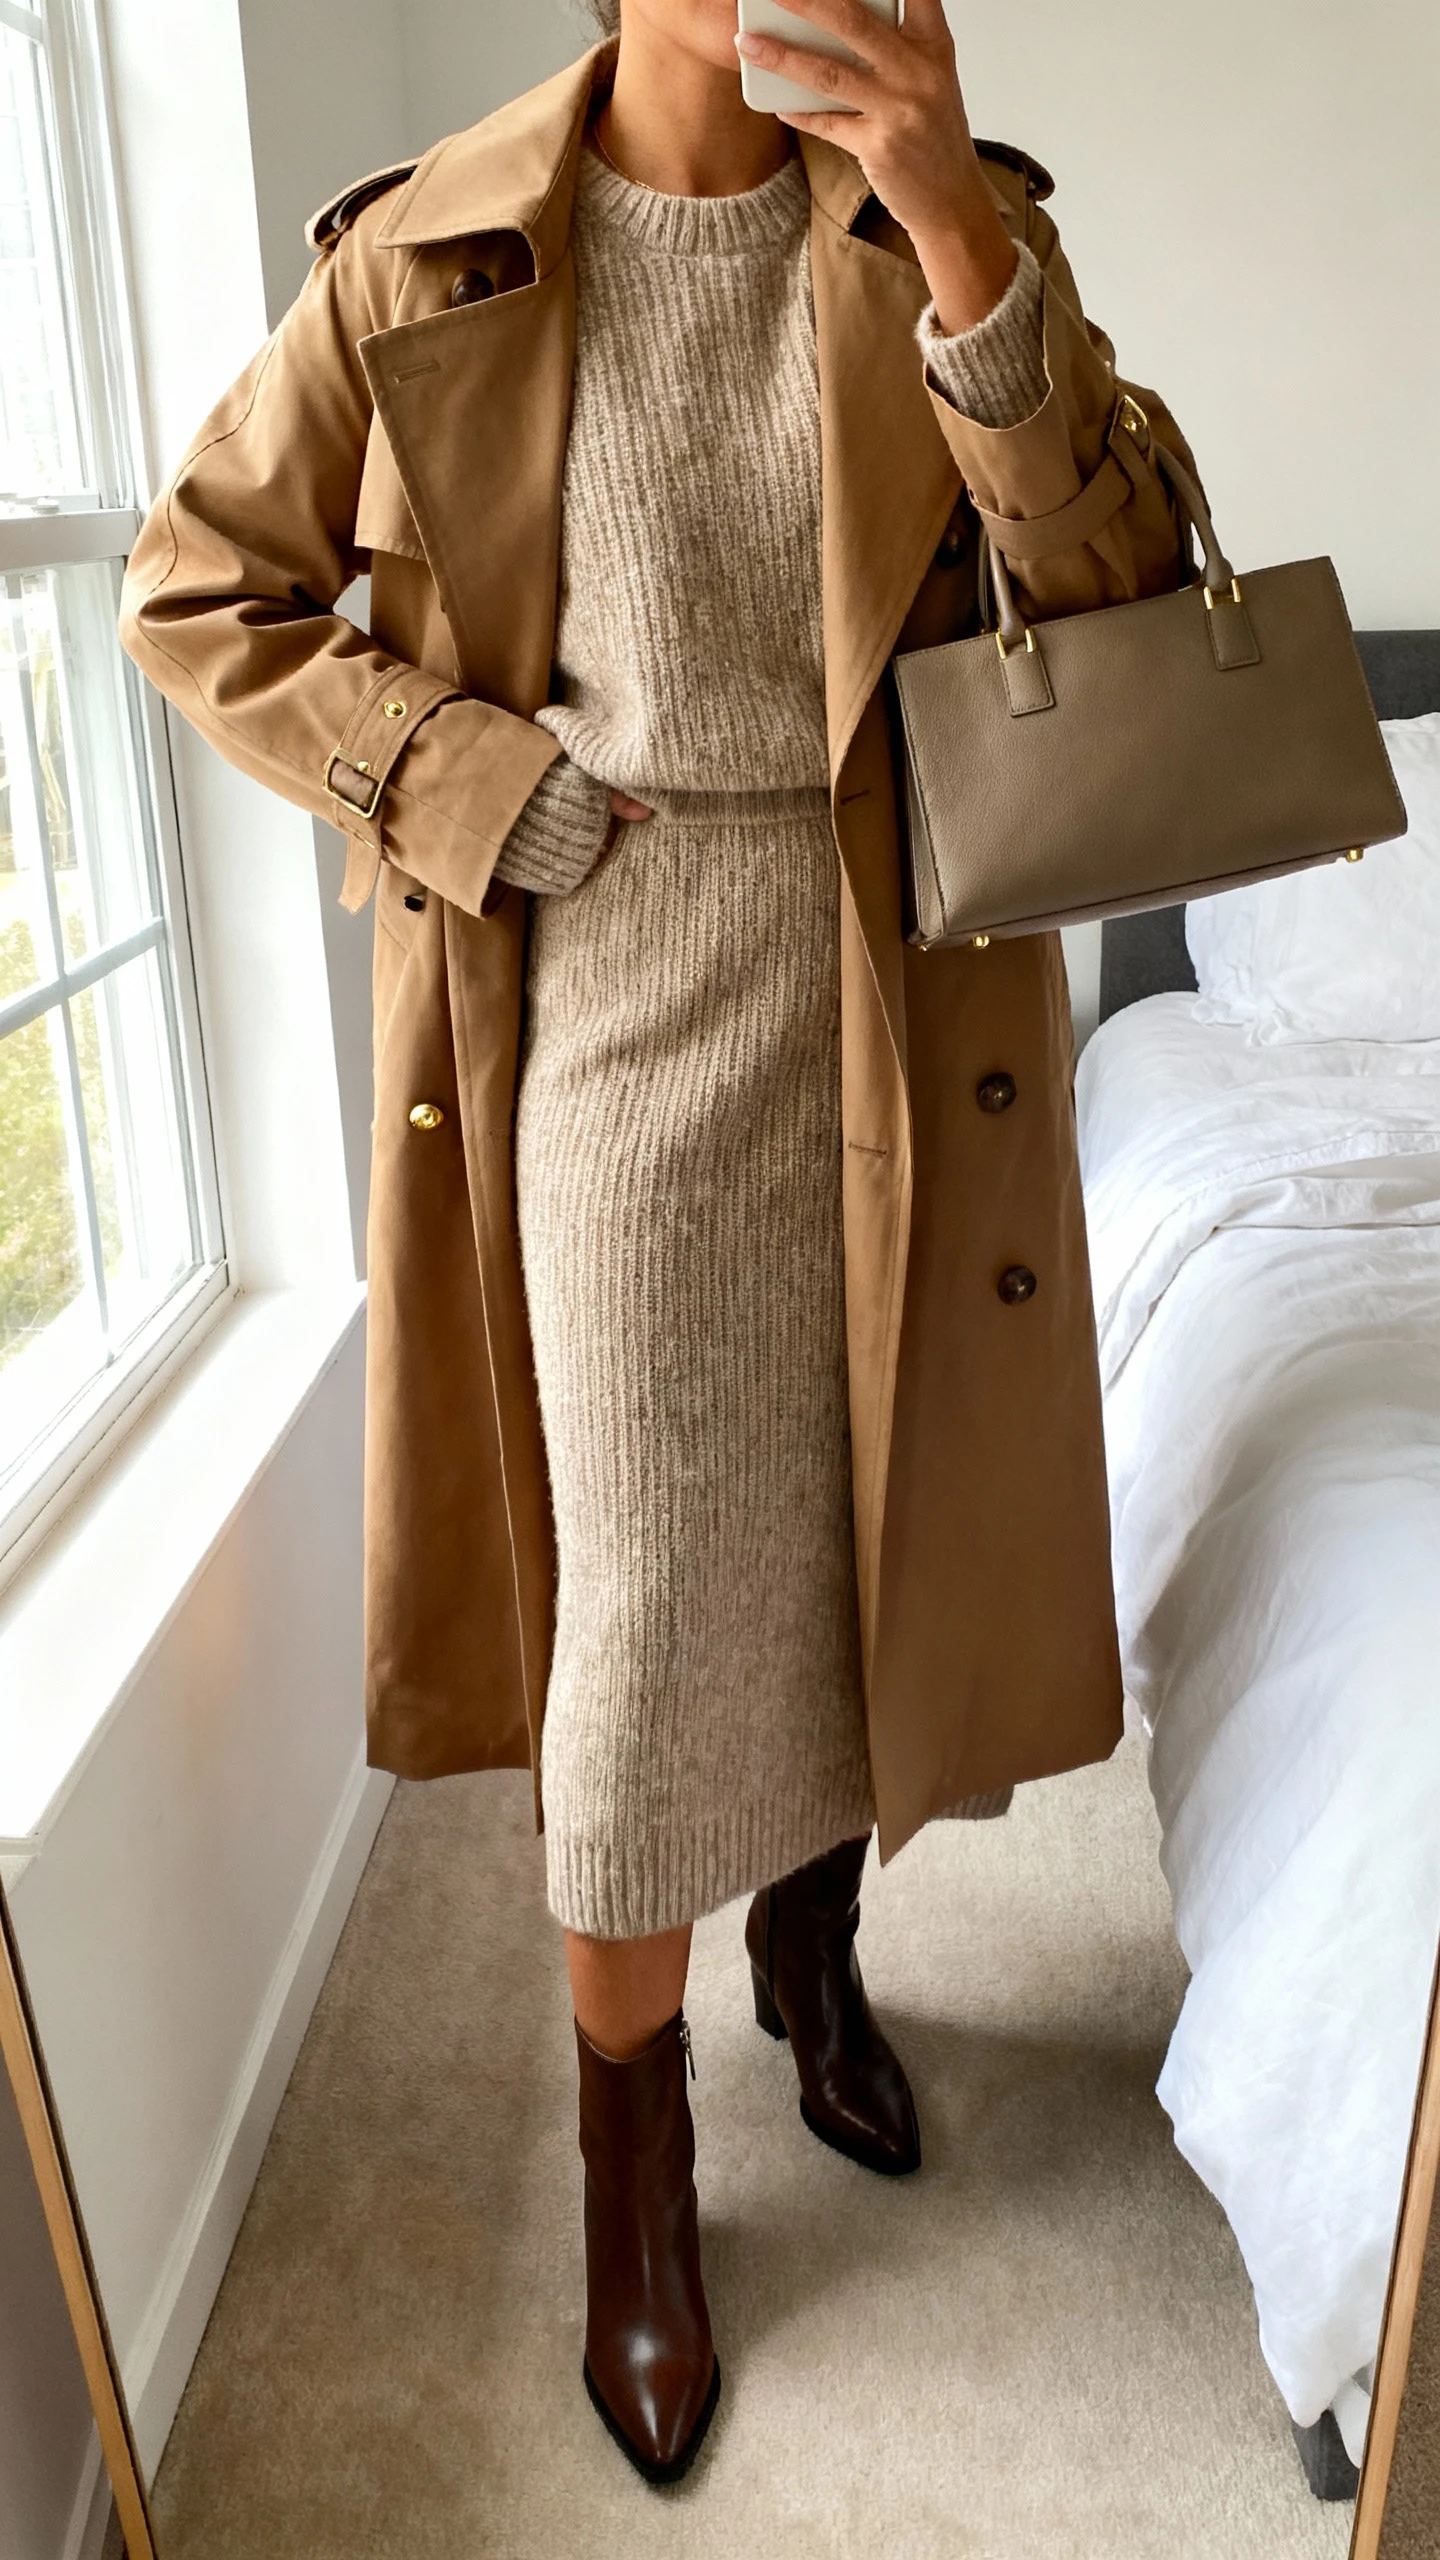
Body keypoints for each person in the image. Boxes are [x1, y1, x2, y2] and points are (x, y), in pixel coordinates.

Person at [120, 0, 1194, 2489]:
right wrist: (463, 772)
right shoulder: (436, 251)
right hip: (598, 1003)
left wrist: (951, 215)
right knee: (642, 1618)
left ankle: (814, 1952)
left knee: (841, 1543)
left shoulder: (944, 212)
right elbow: (207, 584)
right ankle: (632, 2155)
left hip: (896, 987)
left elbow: (1113, 573)